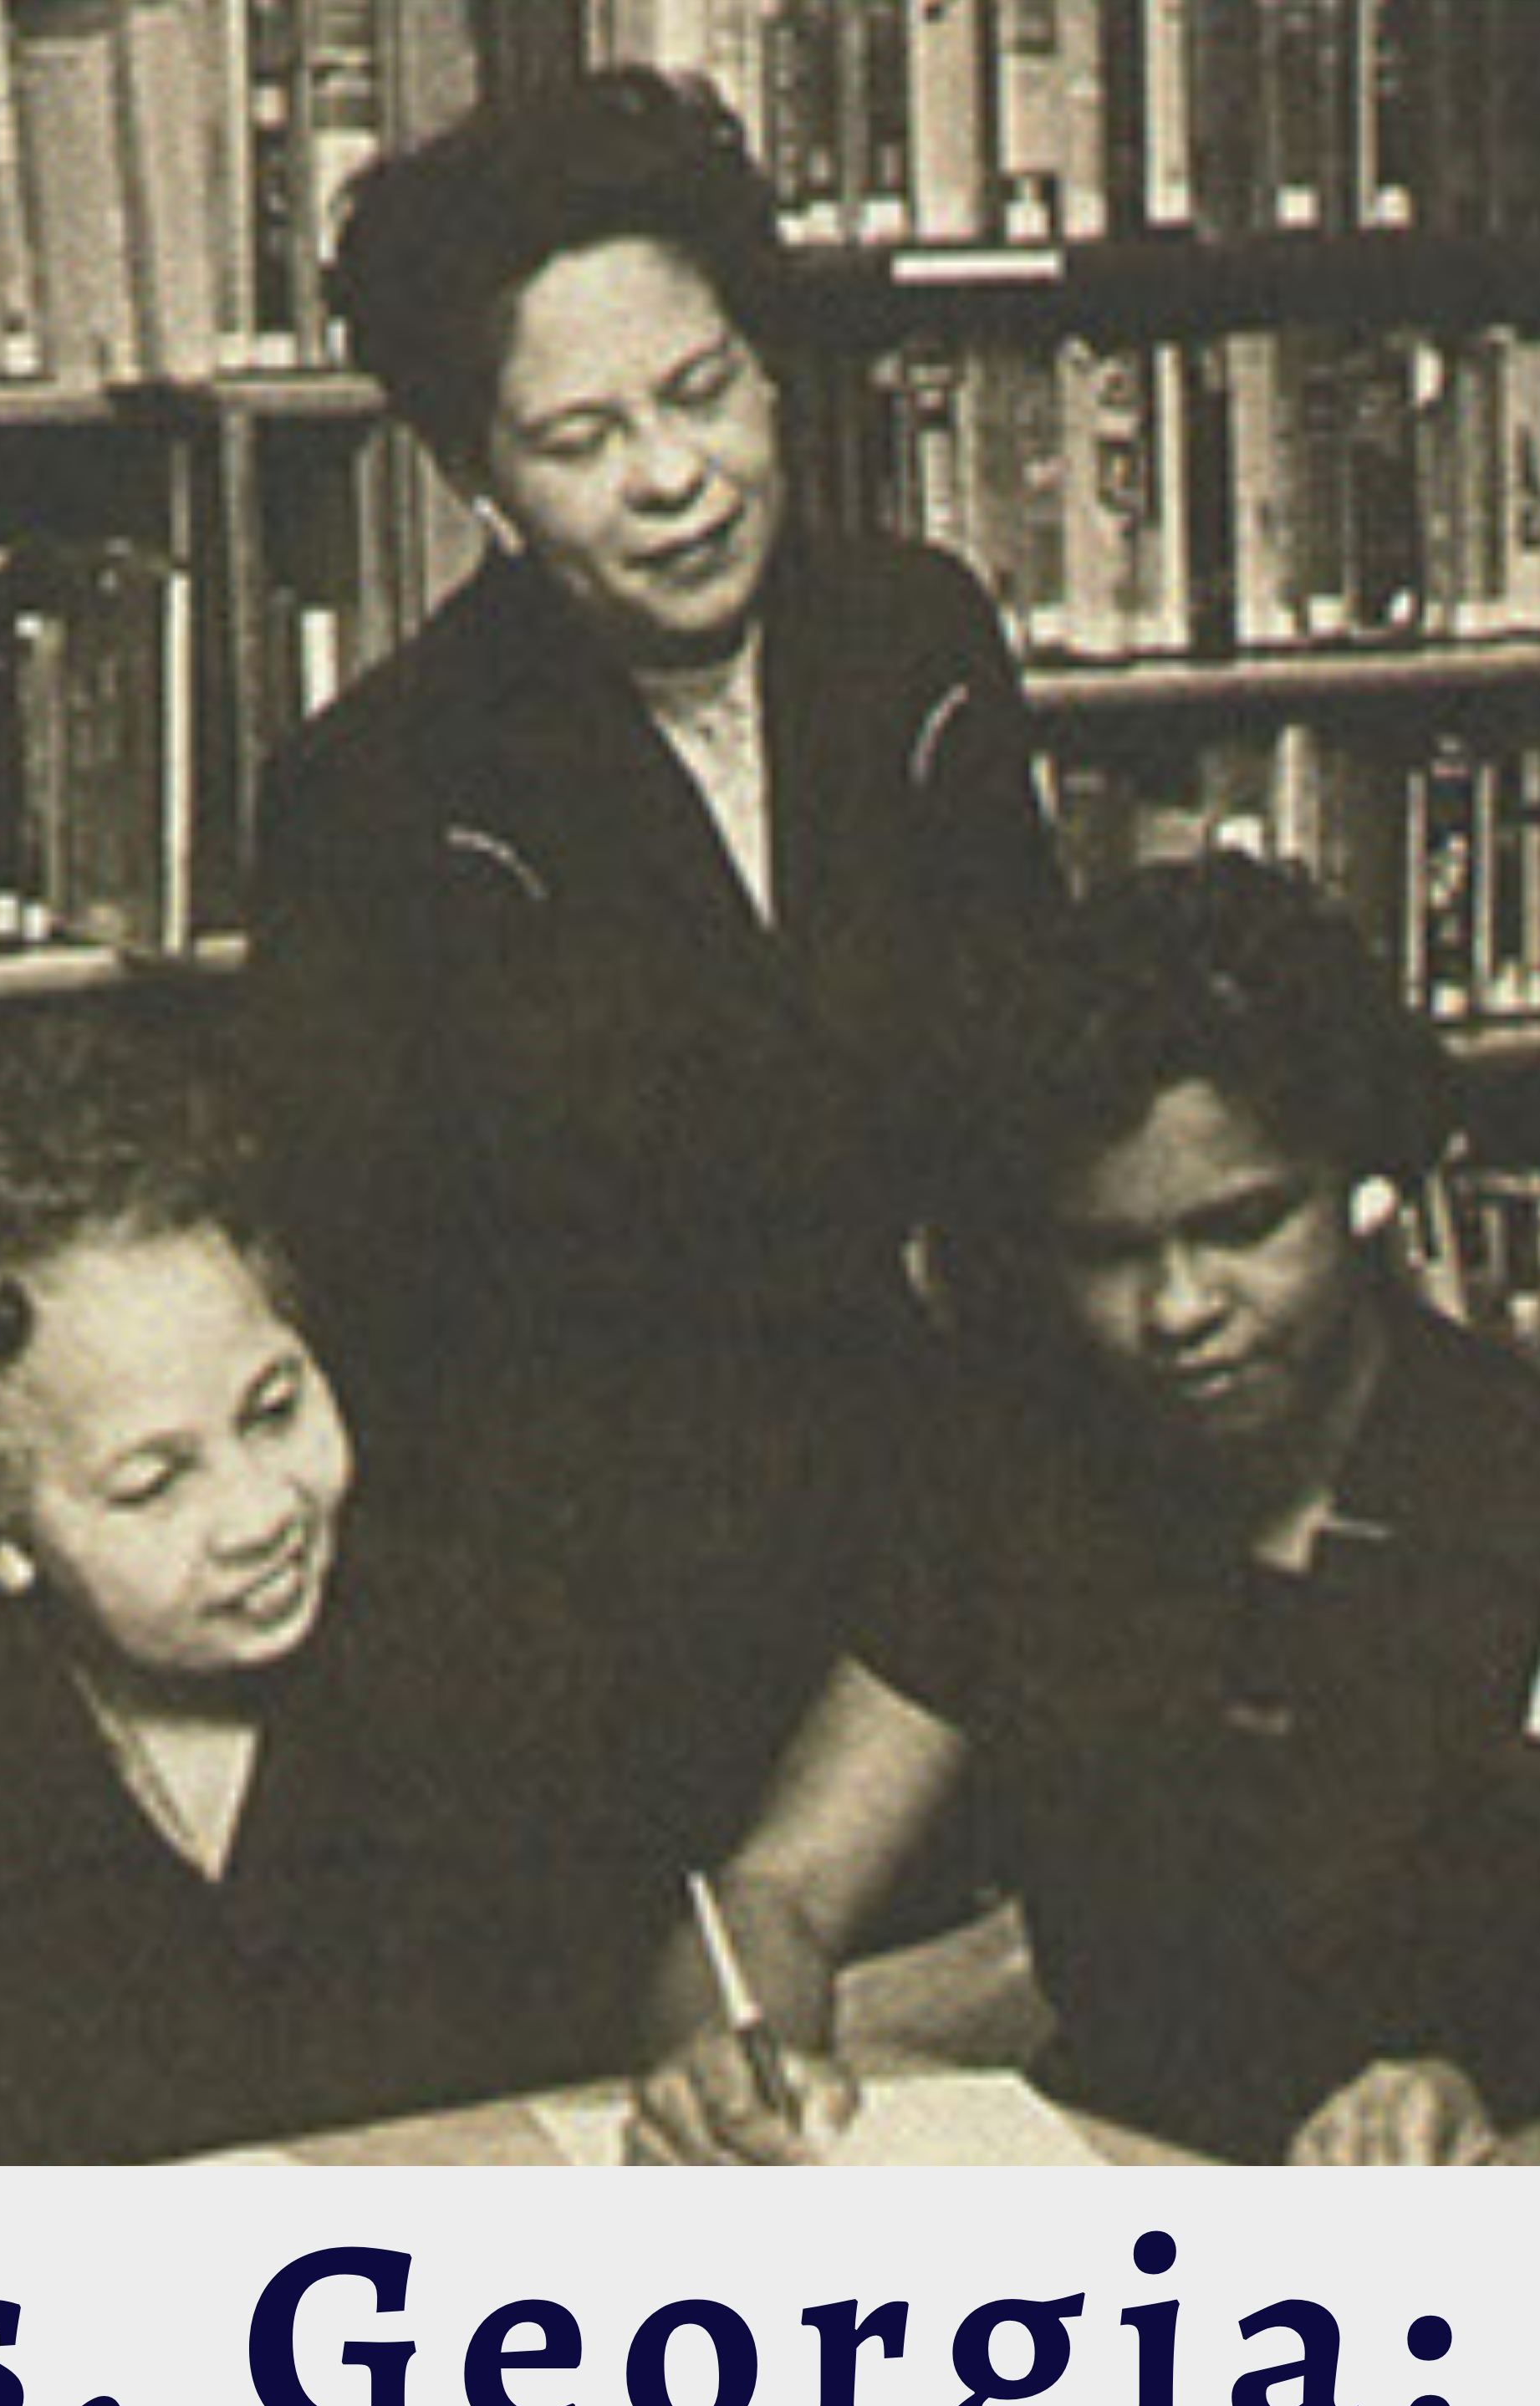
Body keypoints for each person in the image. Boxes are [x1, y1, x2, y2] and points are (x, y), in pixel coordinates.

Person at [630, 856, 1540, 2168]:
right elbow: (779, 1889)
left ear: (1370, 1187)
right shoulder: (1012, 1484)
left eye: (1246, 1225)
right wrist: (719, 2058)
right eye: (1110, 1252)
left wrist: (1531, 2141)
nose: (1179, 1309)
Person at [227, 66, 1072, 1834]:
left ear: (771, 372)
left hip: (973, 1548)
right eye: (582, 439)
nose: (675, 478)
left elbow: (1037, 1094)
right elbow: (390, 1321)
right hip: (612, 1655)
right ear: (479, 481)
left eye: (703, 393)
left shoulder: (919, 644)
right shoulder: (375, 794)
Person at [0, 1018, 661, 2164]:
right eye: (154, 1481)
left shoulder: (492, 1658)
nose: (264, 1511)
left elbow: (591, 2099)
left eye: (277, 1409)